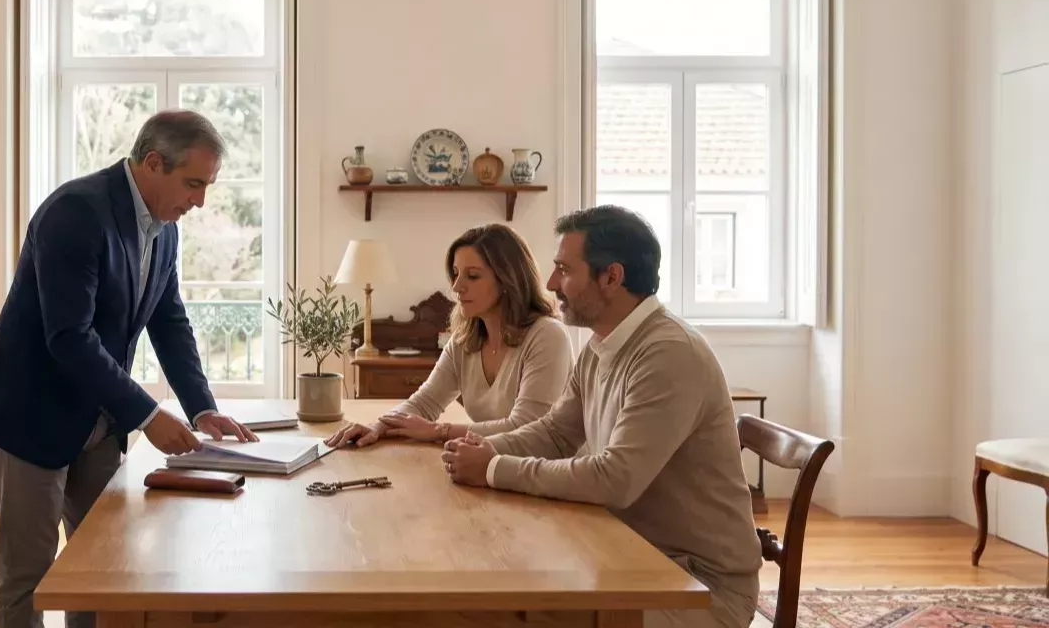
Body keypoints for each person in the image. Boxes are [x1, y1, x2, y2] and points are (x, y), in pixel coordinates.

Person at [0, 110, 259, 628]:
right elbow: (69, 337)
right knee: (27, 575)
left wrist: (201, 408)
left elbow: (169, 318)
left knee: (103, 568)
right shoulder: (76, 211)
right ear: (152, 162)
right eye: (193, 184)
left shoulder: (165, 229)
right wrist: (147, 415)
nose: (200, 201)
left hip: (98, 417)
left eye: (207, 187)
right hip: (30, 412)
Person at [439, 205, 761, 628]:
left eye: (564, 270)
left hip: (693, 586)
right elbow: (556, 432)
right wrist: (482, 449)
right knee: (481, 586)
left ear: (611, 276)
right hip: (624, 555)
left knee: (487, 612)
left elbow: (615, 479)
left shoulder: (668, 352)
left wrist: (494, 468)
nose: (552, 283)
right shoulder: (600, 345)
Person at [325, 224, 571, 448]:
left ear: (508, 279)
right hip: (490, 468)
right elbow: (424, 403)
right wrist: (377, 426)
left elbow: (525, 429)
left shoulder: (548, 336)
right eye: (455, 273)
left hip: (545, 478)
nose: (456, 287)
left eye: (472, 276)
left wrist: (439, 431)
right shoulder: (465, 339)